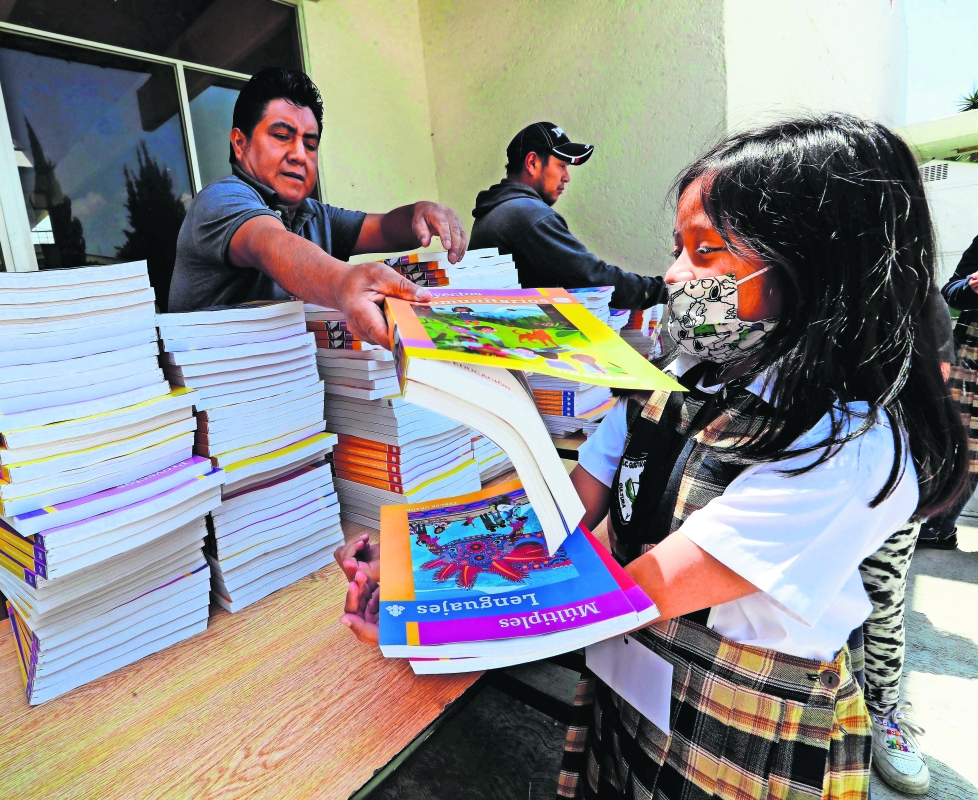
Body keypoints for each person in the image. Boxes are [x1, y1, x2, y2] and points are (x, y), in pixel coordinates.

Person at [337, 114, 969, 800]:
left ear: (809, 265)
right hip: (629, 694)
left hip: (738, 737)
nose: (672, 276)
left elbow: (634, 592)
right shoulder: (681, 378)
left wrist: (428, 608)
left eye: (706, 253)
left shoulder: (848, 449)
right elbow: (570, 505)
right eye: (678, 247)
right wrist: (422, 557)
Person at [167, 68, 467, 344]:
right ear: (240, 143)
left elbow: (385, 230)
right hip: (217, 395)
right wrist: (345, 281)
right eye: (282, 137)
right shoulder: (221, 200)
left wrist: (420, 212)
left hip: (296, 391)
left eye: (310, 144)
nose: (299, 154)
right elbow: (269, 243)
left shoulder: (314, 215)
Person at [857, 292, 954, 796]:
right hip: (802, 468)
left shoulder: (915, 290)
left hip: (893, 478)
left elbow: (936, 386)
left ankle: (883, 712)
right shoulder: (796, 274)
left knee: (881, 599)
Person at [469, 122, 664, 308]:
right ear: (532, 163)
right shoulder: (527, 214)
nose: (567, 177)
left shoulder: (498, 208)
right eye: (562, 165)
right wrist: (665, 291)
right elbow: (592, 278)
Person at [920, 232, 978, 548]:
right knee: (963, 440)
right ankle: (939, 524)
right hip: (972, 352)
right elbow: (951, 291)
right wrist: (970, 287)